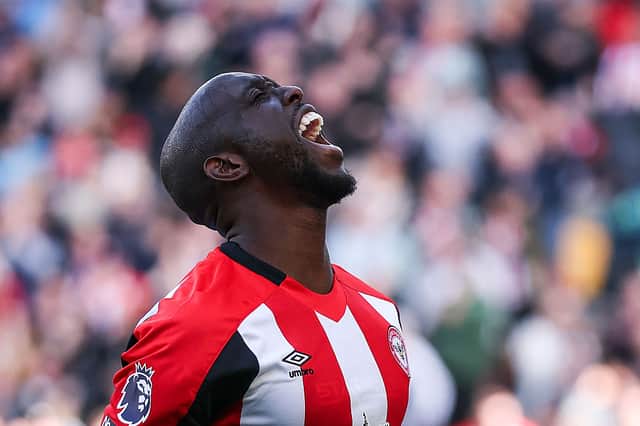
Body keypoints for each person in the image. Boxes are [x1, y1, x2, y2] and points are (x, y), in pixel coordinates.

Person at [100, 72, 410, 426]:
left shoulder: (379, 311)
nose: (294, 91)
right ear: (228, 166)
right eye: (260, 97)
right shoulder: (193, 327)